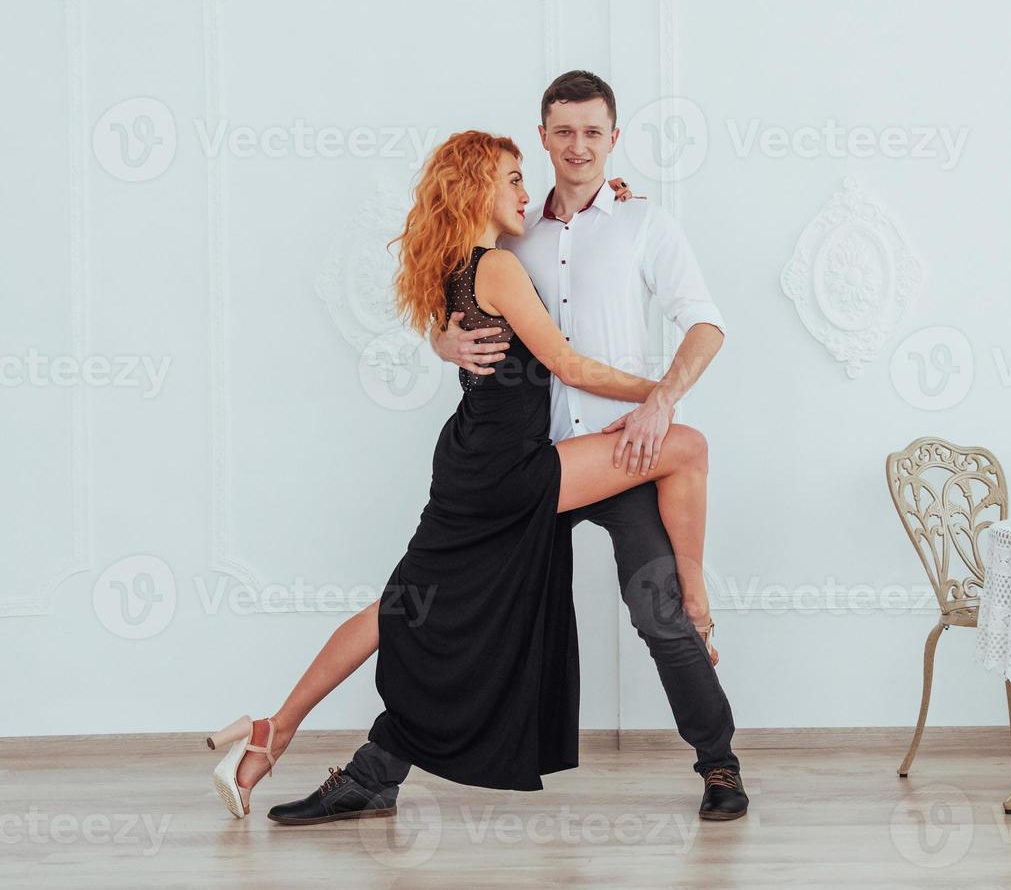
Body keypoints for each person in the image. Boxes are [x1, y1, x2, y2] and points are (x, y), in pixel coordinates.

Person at [204, 123, 746, 827]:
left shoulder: (561, 233)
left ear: (610, 139)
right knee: (689, 444)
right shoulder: (503, 256)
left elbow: (455, 317)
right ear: (481, 187)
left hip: (478, 460)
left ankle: (271, 733)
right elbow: (567, 365)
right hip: (524, 464)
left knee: (405, 608)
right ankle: (699, 593)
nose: (530, 184)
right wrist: (660, 396)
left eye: (590, 134)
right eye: (516, 174)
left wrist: (445, 332)